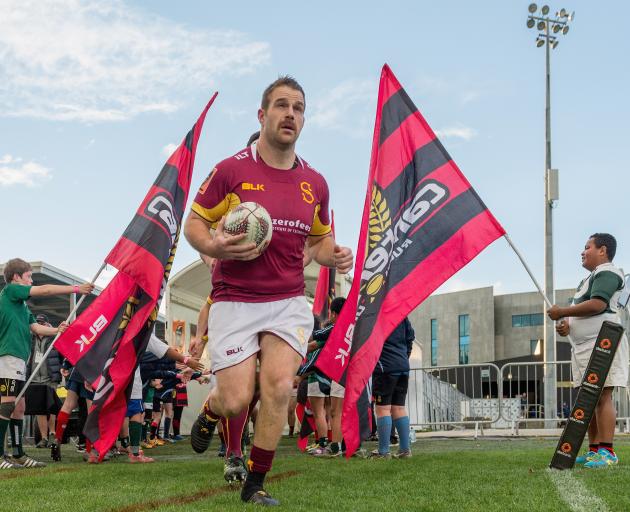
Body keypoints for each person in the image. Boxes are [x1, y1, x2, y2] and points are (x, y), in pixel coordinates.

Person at [184, 76, 353, 506]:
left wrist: (333, 254)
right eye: (281, 106)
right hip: (235, 300)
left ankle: (255, 482)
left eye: (298, 108)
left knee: (279, 386)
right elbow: (194, 224)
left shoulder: (315, 182)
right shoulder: (231, 170)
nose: (290, 114)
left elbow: (318, 241)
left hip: (287, 302)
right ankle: (211, 410)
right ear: (262, 115)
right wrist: (213, 245)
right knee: (237, 397)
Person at [0, 258, 93, 469]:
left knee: (19, 406)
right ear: (16, 278)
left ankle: (18, 454)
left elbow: (35, 328)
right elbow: (44, 291)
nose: (31, 281)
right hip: (8, 356)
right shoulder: (12, 291)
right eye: (28, 277)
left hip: (18, 360)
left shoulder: (22, 306)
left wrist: (56, 330)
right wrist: (76, 289)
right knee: (7, 403)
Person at [547, 233, 628, 468]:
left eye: (587, 247)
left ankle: (608, 451)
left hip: (603, 342)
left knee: (602, 394)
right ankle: (594, 451)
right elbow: (582, 312)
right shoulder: (588, 279)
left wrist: (562, 312)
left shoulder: (609, 272)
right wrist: (566, 327)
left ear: (602, 250)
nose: (582, 252)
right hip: (584, 345)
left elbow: (598, 305)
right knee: (589, 399)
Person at [371, 317, 415, 459]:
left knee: (383, 409)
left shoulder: (376, 312)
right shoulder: (402, 314)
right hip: (403, 366)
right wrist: (403, 356)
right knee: (399, 408)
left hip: (385, 367)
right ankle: (404, 450)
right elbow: (410, 338)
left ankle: (383, 452)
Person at [24, 314, 63, 449]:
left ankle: (52, 433)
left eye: (42, 323)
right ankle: (43, 437)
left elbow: (62, 354)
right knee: (39, 409)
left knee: (51, 407)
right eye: (37, 323)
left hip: (50, 378)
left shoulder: (55, 337)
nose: (39, 325)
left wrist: (62, 369)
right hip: (34, 378)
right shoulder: (31, 339)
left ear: (47, 325)